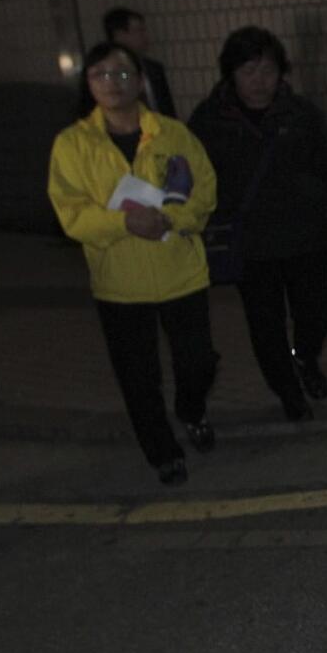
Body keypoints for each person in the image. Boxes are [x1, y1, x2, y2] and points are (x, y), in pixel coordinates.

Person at [48, 41, 218, 485]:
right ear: (88, 84)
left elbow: (204, 194)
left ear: (141, 81)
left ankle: (191, 410)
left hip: (180, 272)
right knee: (138, 378)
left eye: (122, 73)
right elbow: (70, 213)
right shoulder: (72, 144)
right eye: (101, 75)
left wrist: (170, 218)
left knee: (198, 362)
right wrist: (123, 224)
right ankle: (162, 451)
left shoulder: (173, 134)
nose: (113, 83)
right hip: (119, 283)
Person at [189, 27, 327, 421]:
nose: (260, 81)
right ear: (230, 74)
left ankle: (306, 359)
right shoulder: (209, 121)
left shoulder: (302, 114)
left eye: (268, 70)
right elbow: (192, 178)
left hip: (305, 236)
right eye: (249, 71)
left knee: (316, 312)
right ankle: (287, 389)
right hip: (250, 245)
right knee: (265, 324)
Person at [104, 7, 177, 118]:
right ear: (120, 35)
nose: (145, 36)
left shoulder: (154, 68)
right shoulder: (106, 73)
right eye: (139, 31)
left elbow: (167, 109)